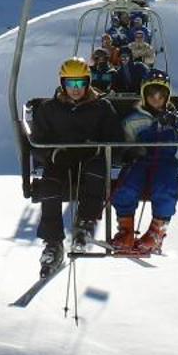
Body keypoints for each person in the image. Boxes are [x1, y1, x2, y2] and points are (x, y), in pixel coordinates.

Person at [26, 59, 122, 275]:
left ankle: (86, 223)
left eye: (80, 84)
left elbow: (116, 138)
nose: (75, 90)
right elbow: (37, 141)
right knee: (48, 187)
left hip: (91, 158)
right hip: (61, 161)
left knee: (95, 171)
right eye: (71, 84)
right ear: (63, 84)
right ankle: (53, 243)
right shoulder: (50, 109)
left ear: (88, 82)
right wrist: (51, 153)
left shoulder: (101, 107)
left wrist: (103, 150)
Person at [110, 79, 178, 256]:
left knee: (165, 187)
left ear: (166, 97)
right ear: (145, 96)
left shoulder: (175, 119)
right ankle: (125, 231)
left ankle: (156, 232)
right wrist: (131, 152)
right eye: (152, 94)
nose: (156, 99)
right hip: (141, 159)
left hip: (166, 161)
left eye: (161, 95)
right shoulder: (134, 120)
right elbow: (123, 143)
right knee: (126, 186)